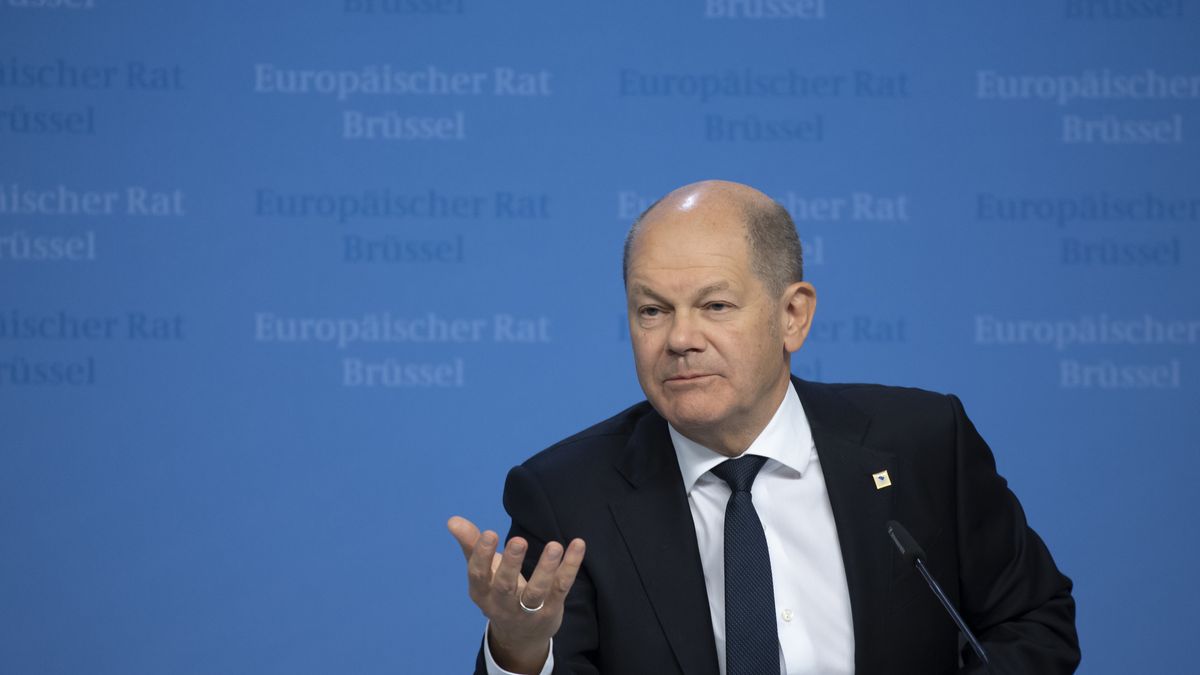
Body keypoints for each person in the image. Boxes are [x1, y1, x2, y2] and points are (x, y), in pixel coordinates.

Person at [448, 180, 1080, 675]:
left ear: (793, 316)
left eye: (715, 305)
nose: (681, 339)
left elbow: (1032, 623)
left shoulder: (922, 443)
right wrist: (521, 650)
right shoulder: (568, 496)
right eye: (652, 310)